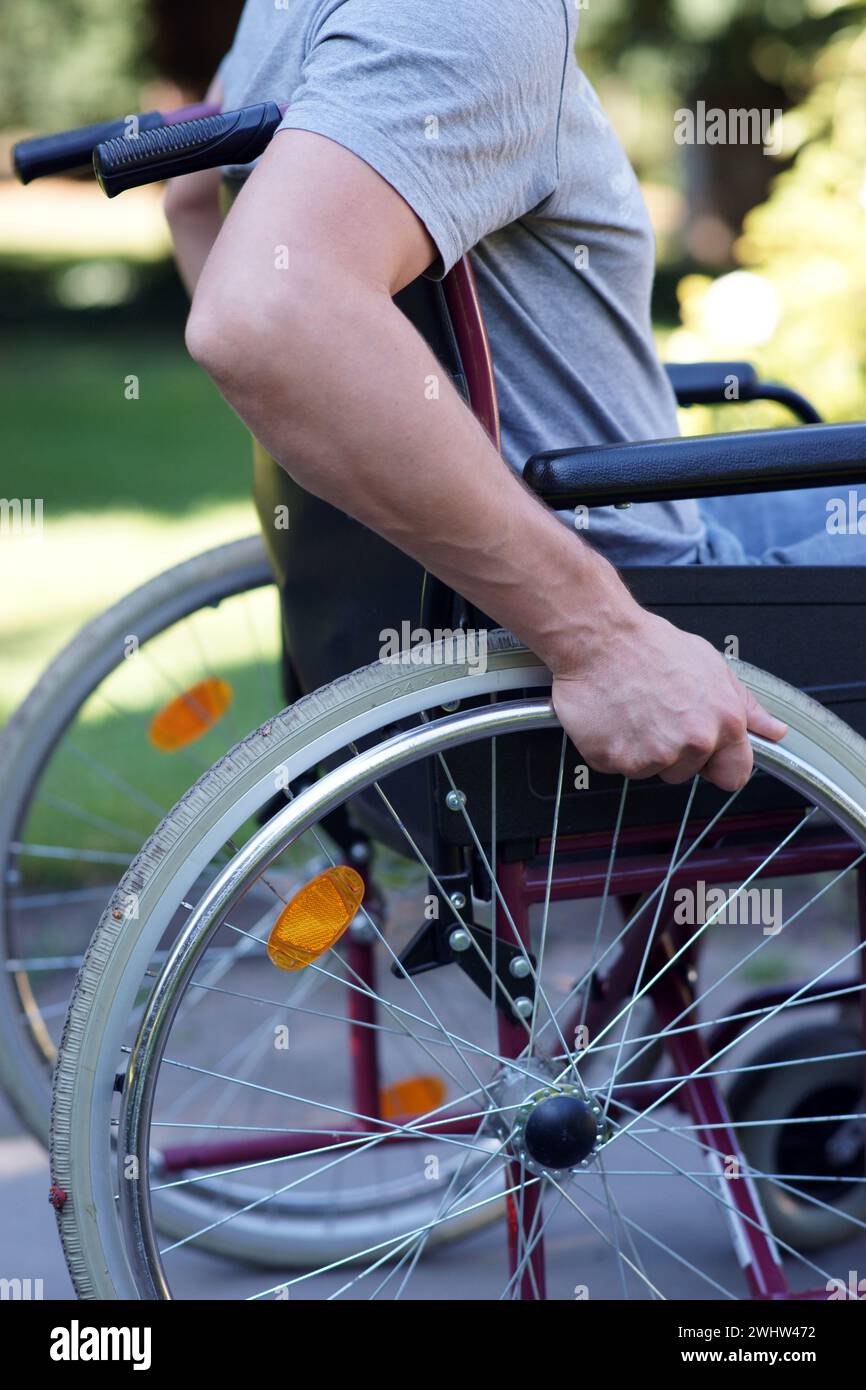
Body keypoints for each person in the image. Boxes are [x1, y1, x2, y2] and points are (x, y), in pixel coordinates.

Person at [165, 0, 793, 793]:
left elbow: (191, 194)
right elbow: (268, 316)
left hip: (413, 606)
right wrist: (601, 638)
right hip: (646, 589)